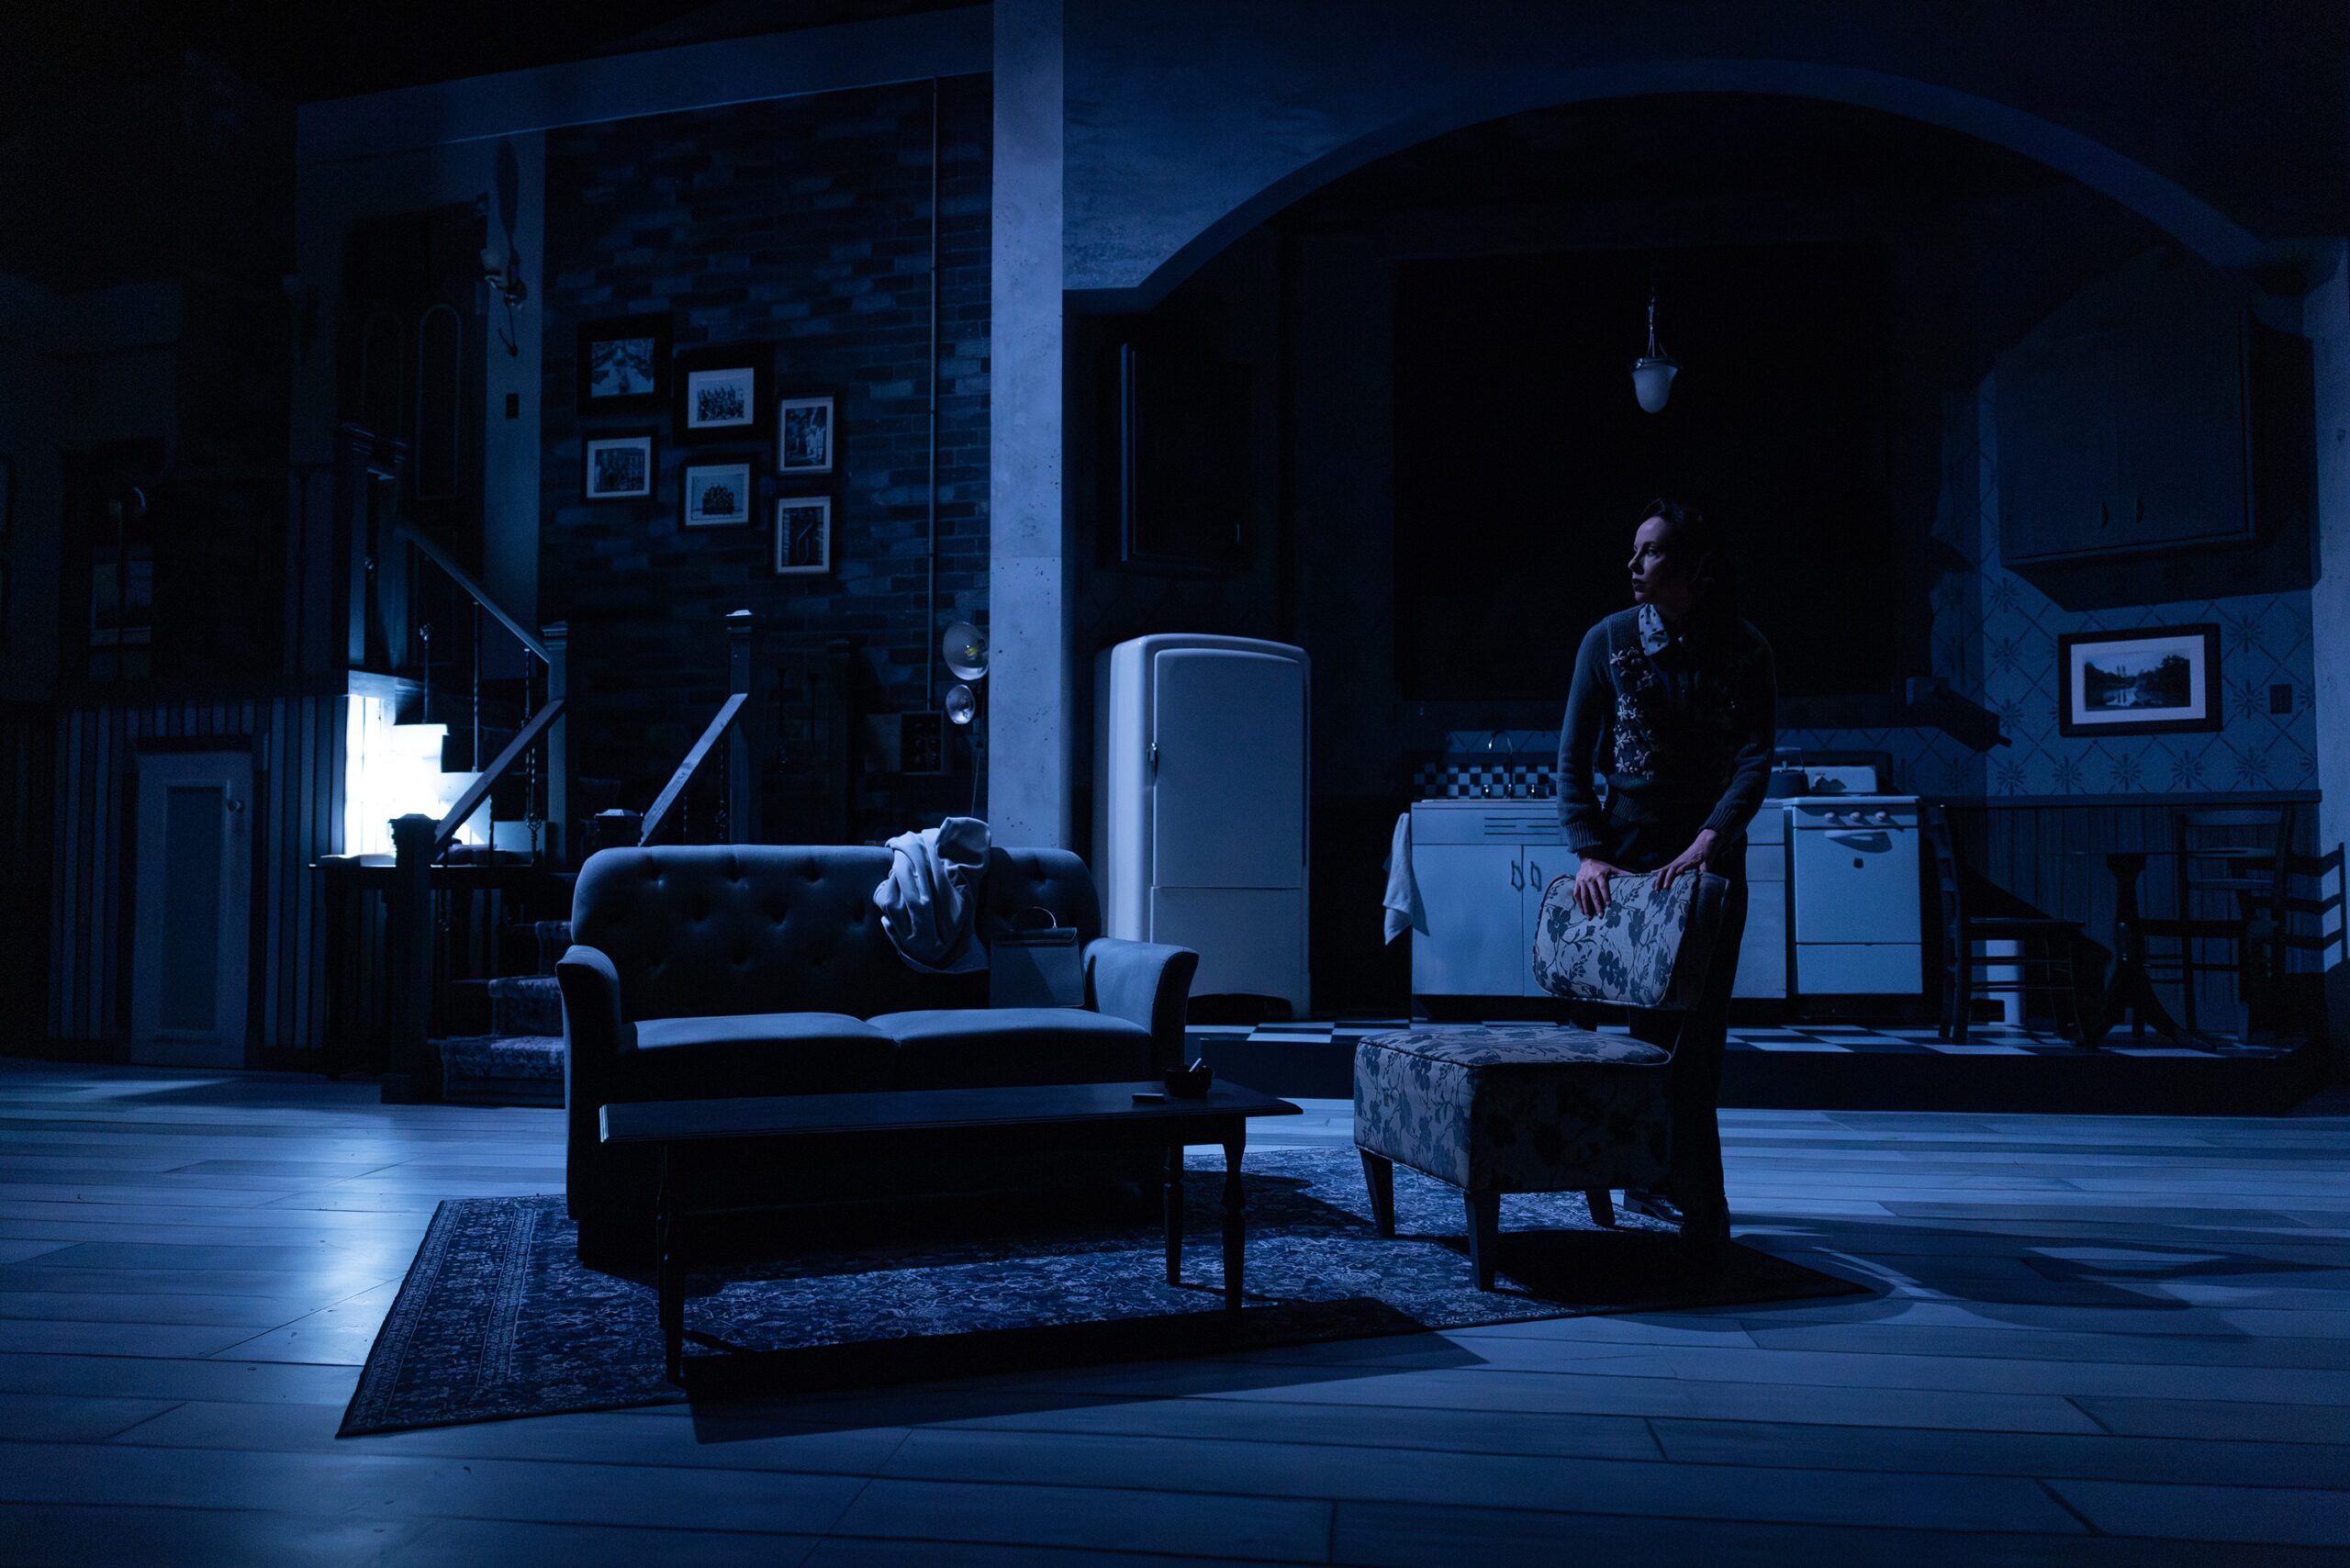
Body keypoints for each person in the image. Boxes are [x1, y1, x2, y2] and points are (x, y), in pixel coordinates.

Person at [1554, 498, 1776, 1250]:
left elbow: (1755, 759)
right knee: (1642, 1034)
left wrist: (1711, 838)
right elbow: (1572, 759)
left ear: (1694, 567)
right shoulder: (1608, 640)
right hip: (1628, 860)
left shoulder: (1744, 648)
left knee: (1698, 1034)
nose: (1634, 563)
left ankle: (1697, 1197)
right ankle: (1647, 1177)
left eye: (1650, 551)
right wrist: (1590, 850)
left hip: (1711, 864)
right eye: (1635, 549)